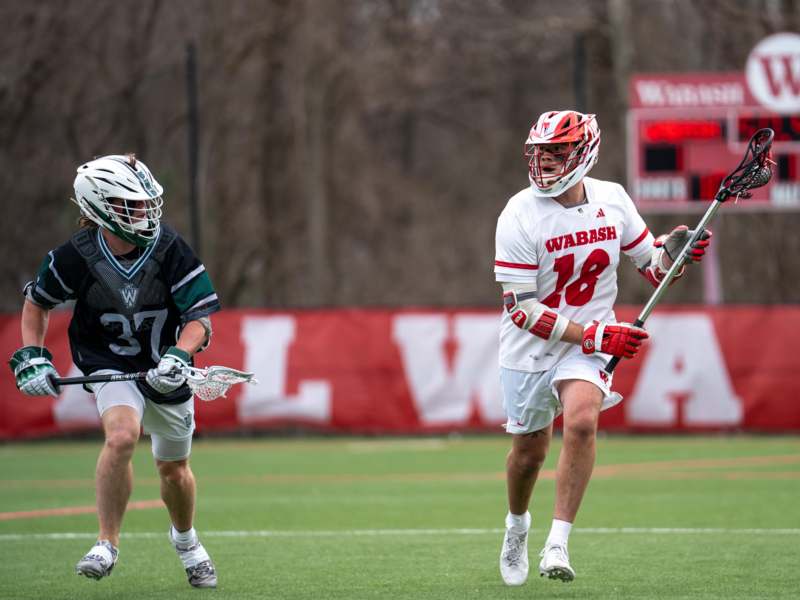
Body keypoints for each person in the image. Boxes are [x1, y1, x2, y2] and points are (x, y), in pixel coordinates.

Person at [494, 111, 711, 585]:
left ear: (584, 154)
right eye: (541, 155)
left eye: (557, 155)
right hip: (533, 346)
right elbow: (522, 311)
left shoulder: (611, 198)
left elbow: (653, 268)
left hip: (587, 343)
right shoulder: (518, 213)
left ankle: (557, 543)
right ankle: (517, 526)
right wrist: (596, 335)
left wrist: (674, 250)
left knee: (582, 420)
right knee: (529, 454)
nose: (546, 165)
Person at [8, 154, 220, 588]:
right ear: (103, 208)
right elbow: (38, 302)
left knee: (173, 470)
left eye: (144, 203)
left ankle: (186, 540)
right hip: (109, 364)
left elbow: (200, 318)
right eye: (132, 204)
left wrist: (179, 355)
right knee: (121, 436)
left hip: (166, 366)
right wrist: (32, 354)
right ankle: (106, 543)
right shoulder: (75, 256)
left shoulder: (169, 247)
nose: (144, 212)